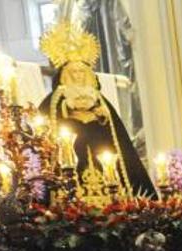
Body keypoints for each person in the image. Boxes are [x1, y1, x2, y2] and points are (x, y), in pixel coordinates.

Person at [39, 22, 156, 199]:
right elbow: (50, 123)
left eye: (81, 72)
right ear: (65, 75)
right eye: (73, 72)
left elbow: (115, 134)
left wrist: (101, 115)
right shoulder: (54, 100)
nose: (78, 76)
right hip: (71, 157)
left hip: (102, 152)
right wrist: (66, 109)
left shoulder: (99, 99)